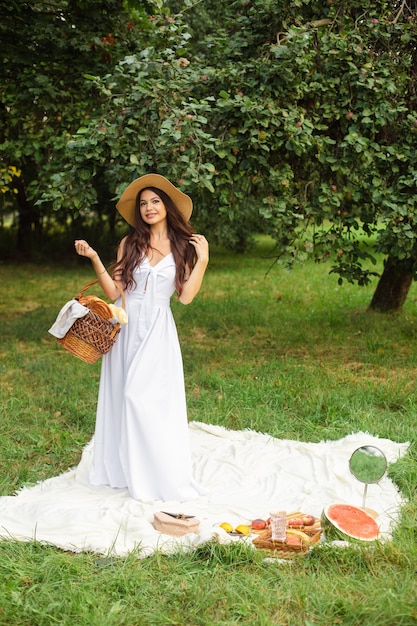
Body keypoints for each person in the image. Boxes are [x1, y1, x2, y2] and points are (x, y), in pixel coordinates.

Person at [74, 173, 209, 502]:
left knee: (145, 399)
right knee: (125, 397)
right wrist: (94, 258)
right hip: (127, 326)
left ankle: (157, 475)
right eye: (144, 203)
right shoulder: (129, 243)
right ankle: (125, 471)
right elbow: (115, 291)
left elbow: (187, 297)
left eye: (155, 201)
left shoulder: (185, 246)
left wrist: (203, 260)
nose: (149, 208)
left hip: (158, 330)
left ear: (167, 206)